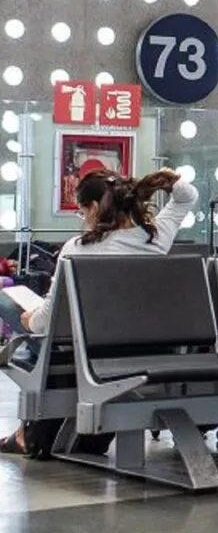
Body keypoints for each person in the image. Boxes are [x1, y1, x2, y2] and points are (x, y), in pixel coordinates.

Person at [0, 167, 198, 454]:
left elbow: (46, 322)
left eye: (82, 212)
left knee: (10, 307)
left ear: (93, 207)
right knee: (39, 349)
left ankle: (28, 432)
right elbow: (187, 196)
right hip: (145, 348)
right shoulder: (156, 239)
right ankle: (30, 432)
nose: (83, 219)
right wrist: (167, 178)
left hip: (86, 351)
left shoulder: (78, 248)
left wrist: (30, 320)